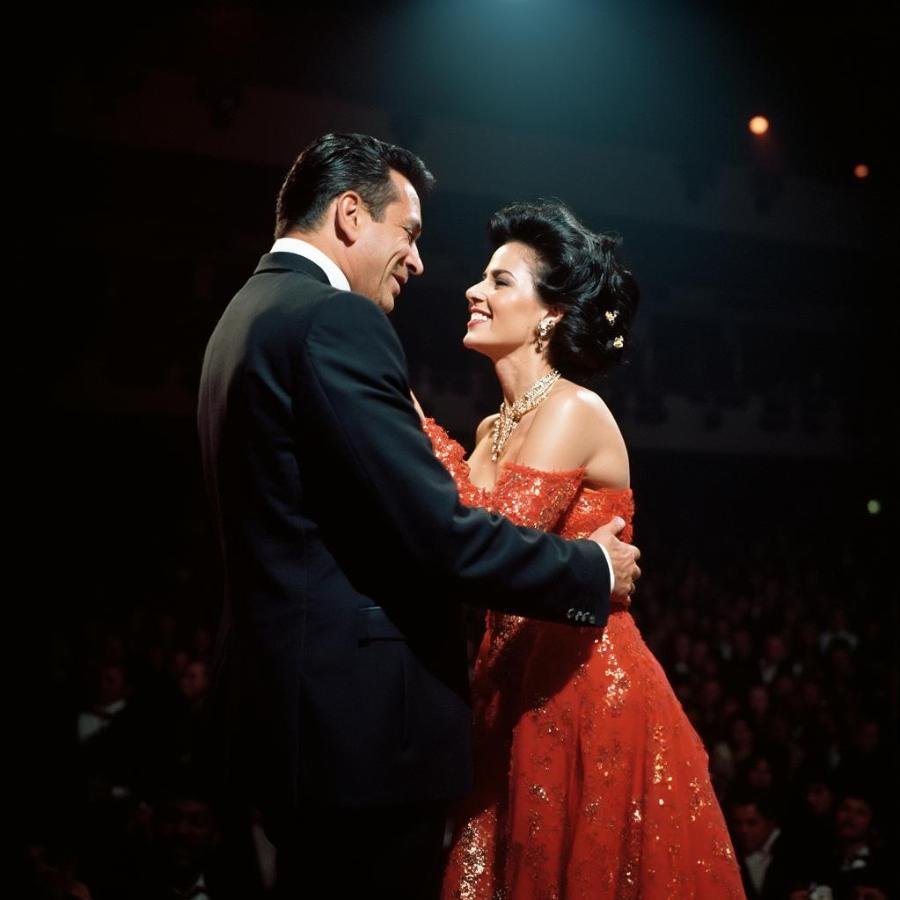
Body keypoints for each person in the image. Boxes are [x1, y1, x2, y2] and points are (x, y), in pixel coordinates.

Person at [196, 134, 641, 899]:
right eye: (409, 233)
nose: (423, 262)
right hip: (356, 734)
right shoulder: (334, 322)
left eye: (499, 278)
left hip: (309, 717)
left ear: (549, 314)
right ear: (347, 215)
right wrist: (592, 569)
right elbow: (440, 532)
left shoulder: (243, 317)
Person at [424, 201, 744, 898]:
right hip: (511, 687)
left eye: (501, 281)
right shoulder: (488, 429)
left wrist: (413, 430)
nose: (474, 292)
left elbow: (497, 541)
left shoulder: (573, 408)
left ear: (551, 314)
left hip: (584, 690)